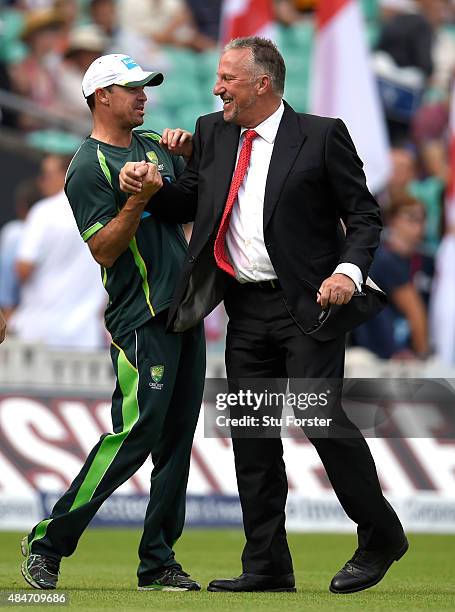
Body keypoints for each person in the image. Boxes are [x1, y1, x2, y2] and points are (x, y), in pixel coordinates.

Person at [121, 36, 408, 594]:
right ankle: (268, 566)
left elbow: (364, 215)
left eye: (227, 78)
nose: (216, 87)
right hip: (245, 308)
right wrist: (154, 185)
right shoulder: (211, 131)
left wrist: (346, 274)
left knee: (319, 418)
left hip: (311, 304)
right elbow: (192, 203)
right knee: (252, 438)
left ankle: (381, 536)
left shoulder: (323, 135)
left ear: (263, 83)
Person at [20, 54, 205, 591]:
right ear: (102, 96)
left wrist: (190, 157)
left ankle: (158, 563)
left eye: (145, 87)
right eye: (132, 88)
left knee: (176, 439)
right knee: (136, 433)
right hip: (141, 317)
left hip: (183, 310)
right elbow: (104, 249)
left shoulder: (150, 147)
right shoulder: (86, 167)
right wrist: (135, 201)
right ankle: (49, 540)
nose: (143, 96)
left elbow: (184, 207)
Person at [9, 154, 106, 350]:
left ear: (67, 174)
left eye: (47, 175)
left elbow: (23, 269)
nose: (41, 182)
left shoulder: (43, 212)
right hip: (85, 336)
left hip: (40, 332)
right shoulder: (105, 212)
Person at [353, 195, 432, 359]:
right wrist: (424, 356)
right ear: (392, 220)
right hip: (382, 353)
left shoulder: (427, 260)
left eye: (422, 218)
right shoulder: (384, 257)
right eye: (411, 217)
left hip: (401, 348)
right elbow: (414, 311)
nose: (418, 225)